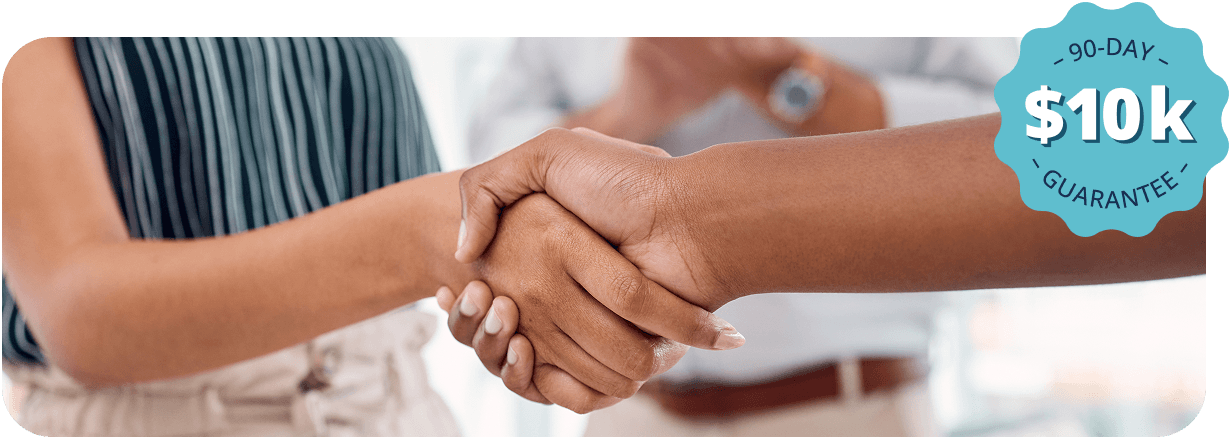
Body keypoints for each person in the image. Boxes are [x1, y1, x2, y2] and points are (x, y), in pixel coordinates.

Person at [1, 37, 734, 435]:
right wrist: (430, 234)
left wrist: (530, 286)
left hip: (398, 404)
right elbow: (81, 317)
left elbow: (460, 217)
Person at [457, 37, 1021, 435]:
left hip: (849, 411)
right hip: (627, 411)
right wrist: (627, 111)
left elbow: (1012, 138)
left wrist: (787, 80)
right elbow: (487, 169)